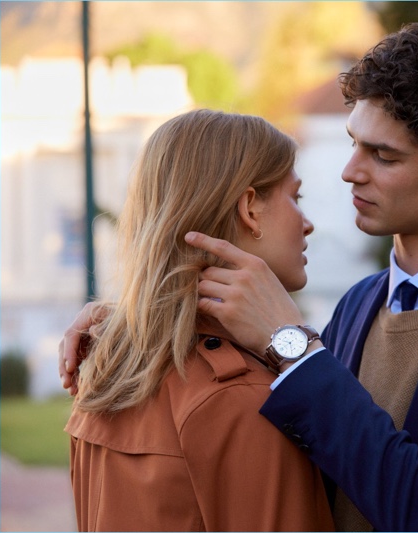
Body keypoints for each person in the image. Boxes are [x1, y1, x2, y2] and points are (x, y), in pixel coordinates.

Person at [62, 23, 418, 531]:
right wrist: (143, 317)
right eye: (354, 144)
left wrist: (291, 345)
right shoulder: (360, 302)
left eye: (383, 156)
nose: (350, 171)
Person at [62, 109, 334, 531]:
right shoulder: (244, 400)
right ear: (249, 209)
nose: (308, 223)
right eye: (295, 198)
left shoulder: (106, 374)